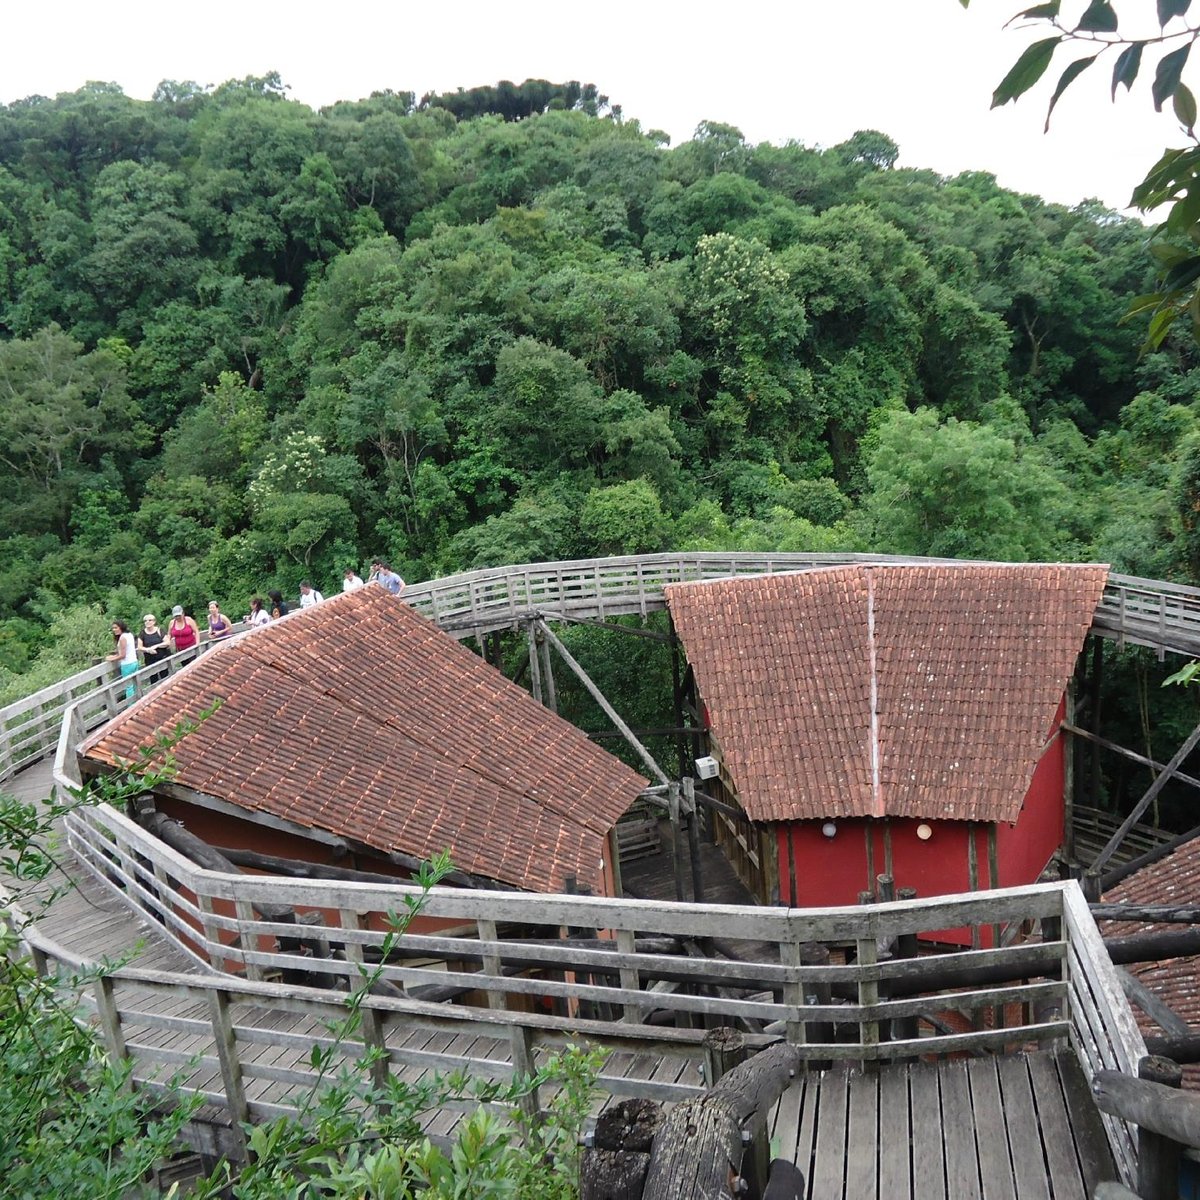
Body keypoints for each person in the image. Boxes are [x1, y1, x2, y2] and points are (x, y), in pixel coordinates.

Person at [107, 620, 139, 700]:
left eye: (116, 628)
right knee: (135, 683)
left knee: (129, 686)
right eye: (113, 628)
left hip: (127, 664)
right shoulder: (129, 634)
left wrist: (112, 658)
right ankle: (137, 699)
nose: (114, 630)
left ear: (121, 627)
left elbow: (123, 655)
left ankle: (131, 704)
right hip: (134, 661)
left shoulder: (122, 638)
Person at [138, 613, 170, 685]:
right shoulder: (142, 633)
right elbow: (139, 647)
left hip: (162, 658)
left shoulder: (159, 630)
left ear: (154, 622)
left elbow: (167, 642)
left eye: (150, 620)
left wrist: (156, 646)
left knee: (165, 677)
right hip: (150, 660)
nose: (147, 622)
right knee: (153, 679)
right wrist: (148, 650)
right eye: (145, 621)